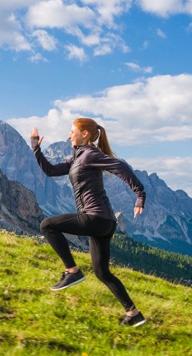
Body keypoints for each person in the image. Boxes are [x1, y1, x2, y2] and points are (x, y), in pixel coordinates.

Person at [30, 117, 147, 327]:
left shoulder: (90, 154)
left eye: (72, 131)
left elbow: (120, 166)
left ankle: (72, 271)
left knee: (47, 225)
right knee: (102, 272)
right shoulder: (77, 158)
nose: (69, 135)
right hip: (104, 222)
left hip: (96, 217)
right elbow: (51, 171)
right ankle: (133, 313)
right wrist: (36, 149)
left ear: (85, 134)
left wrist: (139, 194)